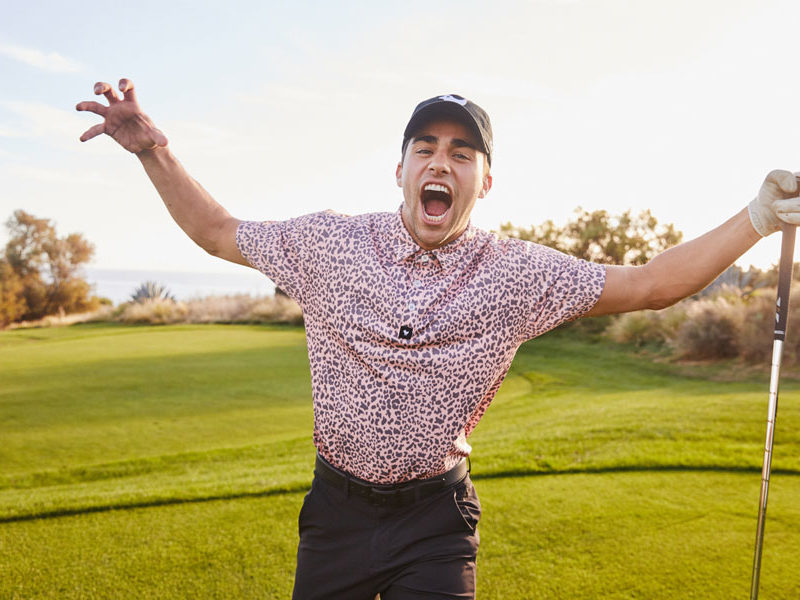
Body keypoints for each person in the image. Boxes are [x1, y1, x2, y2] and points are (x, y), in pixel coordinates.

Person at [77, 79, 800, 600]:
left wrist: (758, 217)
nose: (440, 163)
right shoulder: (328, 243)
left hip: (435, 520)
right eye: (425, 148)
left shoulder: (519, 273)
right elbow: (215, 232)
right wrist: (152, 152)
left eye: (462, 153)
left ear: (484, 182)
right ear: (400, 170)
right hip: (336, 513)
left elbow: (651, 285)